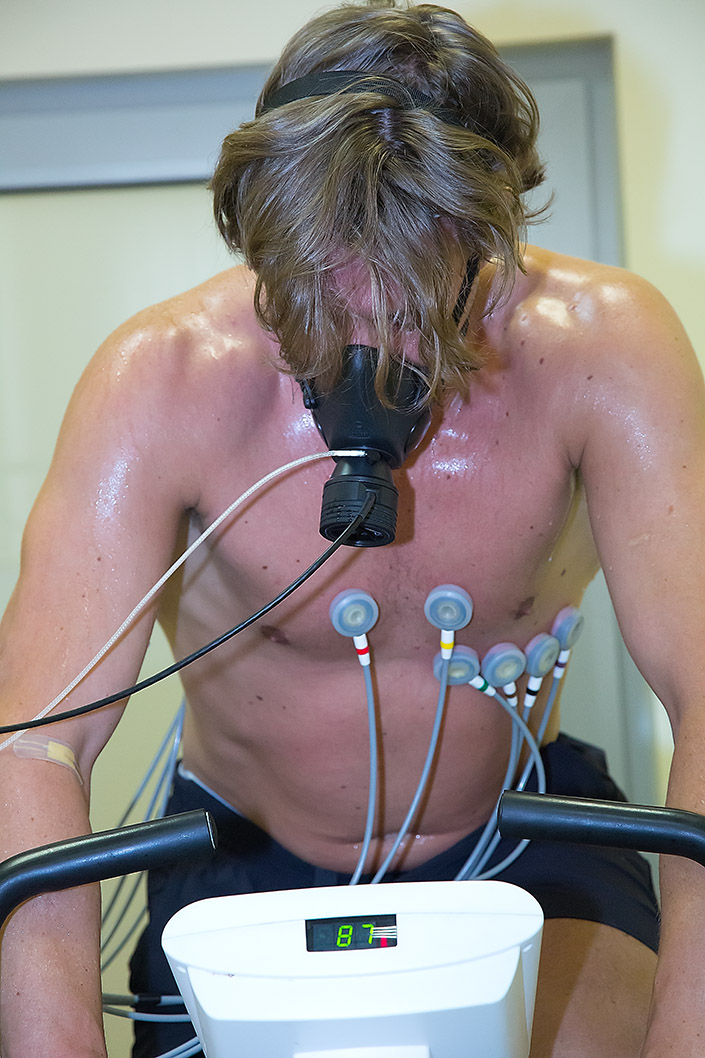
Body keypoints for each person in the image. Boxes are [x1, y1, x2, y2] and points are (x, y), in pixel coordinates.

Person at [0, 1, 703, 1055]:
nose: (367, 334)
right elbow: (36, 742)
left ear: (489, 238)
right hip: (244, 853)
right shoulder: (162, 378)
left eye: (415, 295)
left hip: (521, 834)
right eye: (318, 291)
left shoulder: (601, 350)